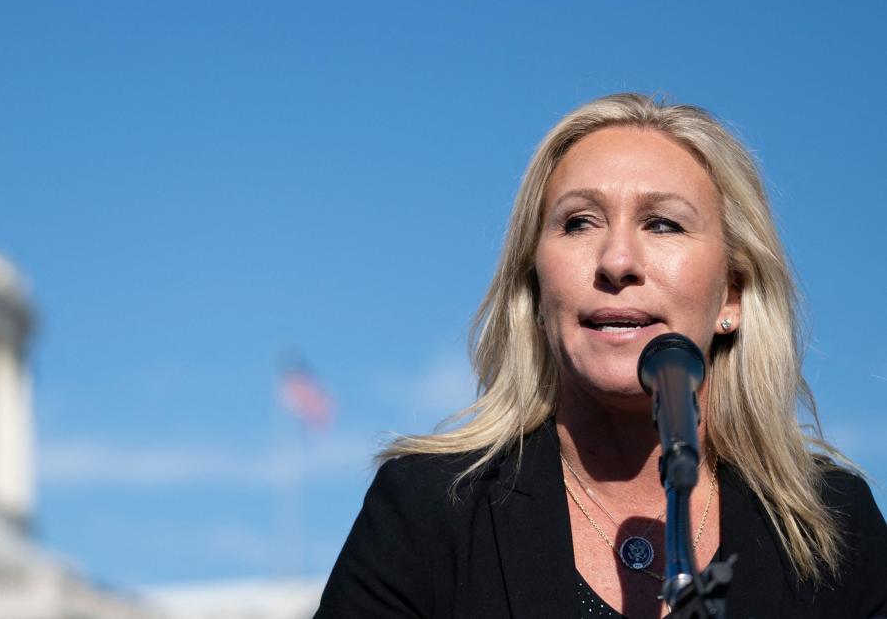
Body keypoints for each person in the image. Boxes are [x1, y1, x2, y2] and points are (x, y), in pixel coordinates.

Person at [315, 93, 887, 619]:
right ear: (537, 290)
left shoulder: (836, 525)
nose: (616, 261)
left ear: (732, 294)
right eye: (578, 222)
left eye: (663, 224)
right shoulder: (427, 511)